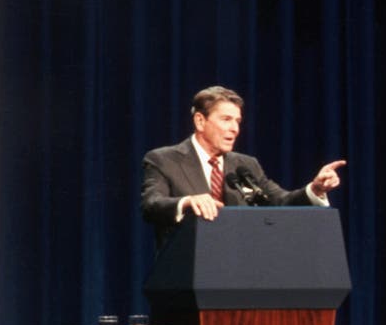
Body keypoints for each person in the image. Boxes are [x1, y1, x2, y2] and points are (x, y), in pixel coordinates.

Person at [141, 85, 344, 248]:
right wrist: (187, 202)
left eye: (238, 121)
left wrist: (315, 189)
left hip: (240, 277)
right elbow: (151, 204)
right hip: (184, 277)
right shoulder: (164, 160)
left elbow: (280, 201)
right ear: (200, 121)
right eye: (226, 120)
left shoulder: (245, 165)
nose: (235, 129)